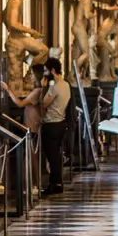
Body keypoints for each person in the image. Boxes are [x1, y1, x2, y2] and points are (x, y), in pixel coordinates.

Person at [38, 60, 71, 193]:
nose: (45, 74)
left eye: (46, 71)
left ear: (52, 71)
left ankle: (55, 183)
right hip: (61, 123)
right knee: (55, 154)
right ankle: (57, 182)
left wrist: (42, 88)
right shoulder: (66, 85)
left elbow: (44, 104)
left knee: (52, 156)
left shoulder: (55, 87)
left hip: (51, 123)